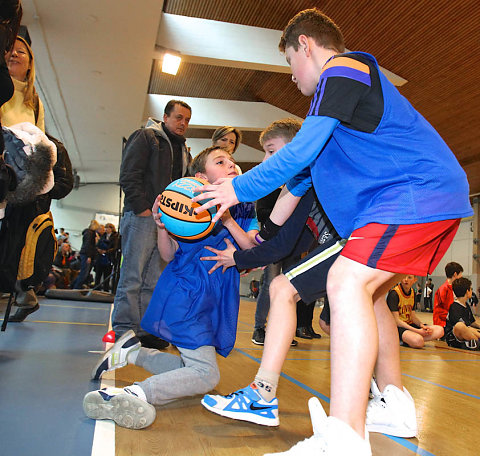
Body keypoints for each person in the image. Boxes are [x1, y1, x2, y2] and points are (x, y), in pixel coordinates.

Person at [192, 8, 472, 455]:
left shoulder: (345, 68)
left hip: (413, 194)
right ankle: (396, 404)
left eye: (289, 63)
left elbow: (300, 147)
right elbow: (290, 191)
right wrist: (232, 216)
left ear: (305, 44)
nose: (292, 78)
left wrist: (238, 186)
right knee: (372, 295)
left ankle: (342, 438)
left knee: (344, 281)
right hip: (427, 199)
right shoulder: (337, 125)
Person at [84, 146, 258, 429]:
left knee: (191, 370)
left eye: (233, 161)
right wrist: (161, 226)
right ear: (201, 177)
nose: (232, 165)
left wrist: (226, 217)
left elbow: (250, 247)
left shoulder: (244, 206)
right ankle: (135, 393)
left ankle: (131, 353)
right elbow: (167, 255)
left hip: (216, 296)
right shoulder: (186, 205)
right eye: (221, 161)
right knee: (205, 375)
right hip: (188, 293)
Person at [111, 99, 192, 350]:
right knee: (132, 276)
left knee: (153, 280)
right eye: (178, 118)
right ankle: (125, 329)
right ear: (165, 118)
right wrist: (143, 209)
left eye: (187, 120)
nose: (183, 124)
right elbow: (129, 174)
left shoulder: (183, 150)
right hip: (142, 217)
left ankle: (144, 330)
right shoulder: (146, 137)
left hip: (166, 224)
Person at [250, 119, 301, 346]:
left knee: (291, 287)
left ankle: (283, 330)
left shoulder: (304, 179)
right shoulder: (273, 186)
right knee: (271, 284)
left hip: (293, 244)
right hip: (275, 244)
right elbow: (265, 215)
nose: (264, 160)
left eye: (271, 151)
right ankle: (259, 327)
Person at [0, 35, 44, 131]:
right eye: (9, 50)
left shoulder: (35, 102)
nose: (14, 54)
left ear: (30, 64)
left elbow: (40, 142)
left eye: (21, 51)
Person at [387, 275, 444, 348]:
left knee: (440, 330)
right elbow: (396, 321)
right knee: (418, 342)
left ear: (415, 280)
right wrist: (417, 331)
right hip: (398, 327)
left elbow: (413, 317)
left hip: (410, 325)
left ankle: (411, 339)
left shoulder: (413, 292)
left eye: (409, 277)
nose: (406, 280)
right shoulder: (394, 294)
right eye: (403, 277)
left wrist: (422, 326)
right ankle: (404, 339)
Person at [444, 277, 480, 351]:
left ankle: (473, 343)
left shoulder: (466, 306)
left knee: (470, 328)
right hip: (454, 337)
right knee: (460, 326)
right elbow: (463, 326)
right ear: (467, 291)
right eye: (471, 289)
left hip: (467, 332)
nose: (472, 291)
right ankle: (476, 341)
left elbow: (472, 323)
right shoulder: (454, 306)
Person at [433, 262, 463, 328]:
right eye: (461, 275)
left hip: (451, 321)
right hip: (443, 324)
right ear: (455, 274)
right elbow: (440, 311)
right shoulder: (443, 289)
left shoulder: (453, 288)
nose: (461, 277)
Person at [72, 219, 99, 289]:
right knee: (84, 273)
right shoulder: (90, 234)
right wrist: (89, 256)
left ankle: (74, 285)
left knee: (84, 273)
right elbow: (88, 245)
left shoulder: (88, 233)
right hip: (87, 255)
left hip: (86, 254)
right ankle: (76, 287)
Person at [94, 222, 118, 292]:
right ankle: (96, 288)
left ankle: (106, 289)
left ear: (111, 229)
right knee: (98, 274)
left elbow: (115, 247)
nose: (106, 229)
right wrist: (99, 250)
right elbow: (98, 244)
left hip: (109, 258)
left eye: (107, 228)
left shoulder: (115, 236)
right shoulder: (103, 236)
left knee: (106, 274)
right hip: (100, 257)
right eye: (106, 228)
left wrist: (106, 251)